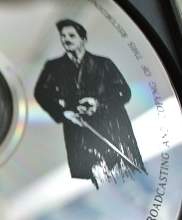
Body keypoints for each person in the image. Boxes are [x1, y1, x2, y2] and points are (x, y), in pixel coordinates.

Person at [34, 19, 146, 188]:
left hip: (111, 129)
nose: (66, 39)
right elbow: (41, 93)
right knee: (90, 184)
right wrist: (64, 112)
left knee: (126, 176)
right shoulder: (53, 67)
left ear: (83, 39)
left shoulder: (104, 63)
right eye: (63, 36)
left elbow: (124, 93)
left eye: (71, 35)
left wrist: (98, 103)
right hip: (78, 132)